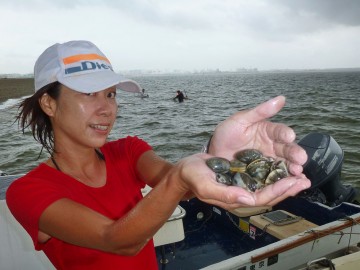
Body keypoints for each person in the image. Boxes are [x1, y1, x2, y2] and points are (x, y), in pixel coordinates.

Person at [6, 40, 310, 269]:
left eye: (110, 94)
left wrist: (220, 158)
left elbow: (186, 185)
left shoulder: (127, 150)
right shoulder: (28, 192)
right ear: (49, 104)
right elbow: (117, 240)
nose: (107, 108)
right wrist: (178, 180)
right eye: (88, 94)